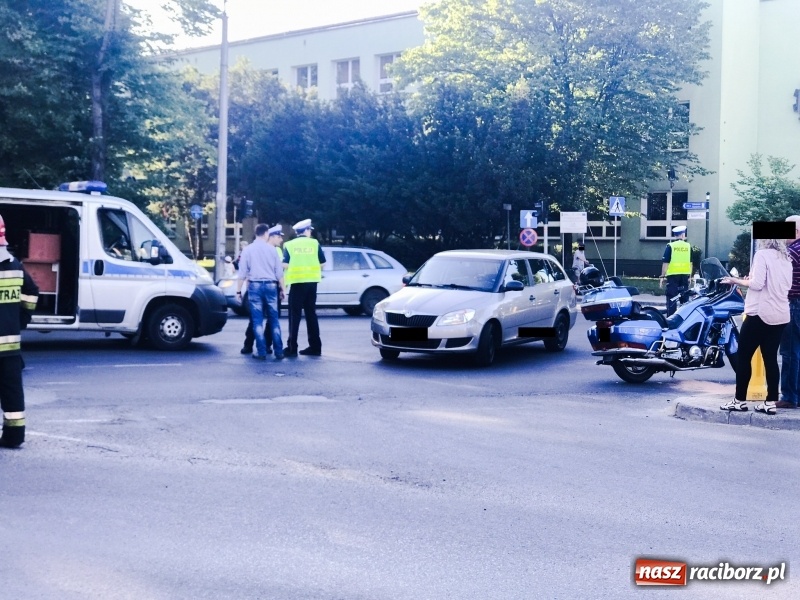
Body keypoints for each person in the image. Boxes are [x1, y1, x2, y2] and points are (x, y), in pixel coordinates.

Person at [719, 237, 792, 414]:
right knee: (770, 359)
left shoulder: (762, 255)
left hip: (759, 313)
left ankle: (739, 401)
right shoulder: (786, 258)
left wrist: (735, 281)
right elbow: (784, 285)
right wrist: (750, 280)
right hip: (780, 314)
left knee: (744, 357)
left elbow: (757, 285)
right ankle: (770, 402)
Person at [0, 214, 39, 448]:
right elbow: (32, 292)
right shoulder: (15, 266)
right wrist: (21, 320)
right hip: (10, 348)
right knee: (12, 392)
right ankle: (14, 436)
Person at [236, 223, 285, 361]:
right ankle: (279, 351)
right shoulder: (272, 250)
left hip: (255, 286)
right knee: (274, 320)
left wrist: (238, 291)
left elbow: (242, 273)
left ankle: (261, 352)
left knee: (257, 321)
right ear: (266, 234)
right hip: (271, 286)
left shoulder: (247, 250)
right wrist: (283, 289)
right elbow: (279, 272)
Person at [283, 218, 326, 357]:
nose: (310, 232)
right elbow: (322, 263)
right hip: (312, 283)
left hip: (297, 283)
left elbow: (285, 264)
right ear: (306, 231)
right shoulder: (314, 243)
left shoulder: (289, 245)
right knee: (311, 314)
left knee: (294, 316)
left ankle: (292, 348)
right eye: (309, 230)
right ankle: (315, 347)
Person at [779, 215, 800, 409]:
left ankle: (789, 396)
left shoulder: (792, 252)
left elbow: (781, 279)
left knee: (790, 351)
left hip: (794, 304)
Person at [660, 225, 692, 316]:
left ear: (675, 235)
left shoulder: (670, 246)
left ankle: (671, 318)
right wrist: (690, 276)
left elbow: (666, 262)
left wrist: (662, 276)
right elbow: (690, 263)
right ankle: (684, 317)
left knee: (672, 298)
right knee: (684, 298)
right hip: (684, 276)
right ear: (682, 235)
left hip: (673, 276)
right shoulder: (688, 246)